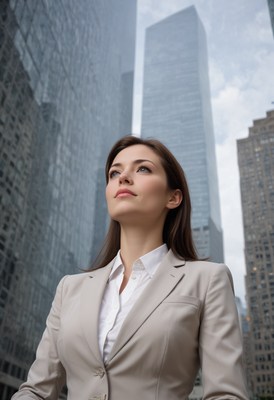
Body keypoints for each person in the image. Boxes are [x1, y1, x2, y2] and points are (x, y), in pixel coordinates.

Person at [12, 135, 248, 400]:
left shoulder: (208, 280)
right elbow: (36, 390)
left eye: (143, 168)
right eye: (114, 173)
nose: (123, 177)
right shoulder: (69, 288)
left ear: (173, 197)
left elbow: (226, 394)